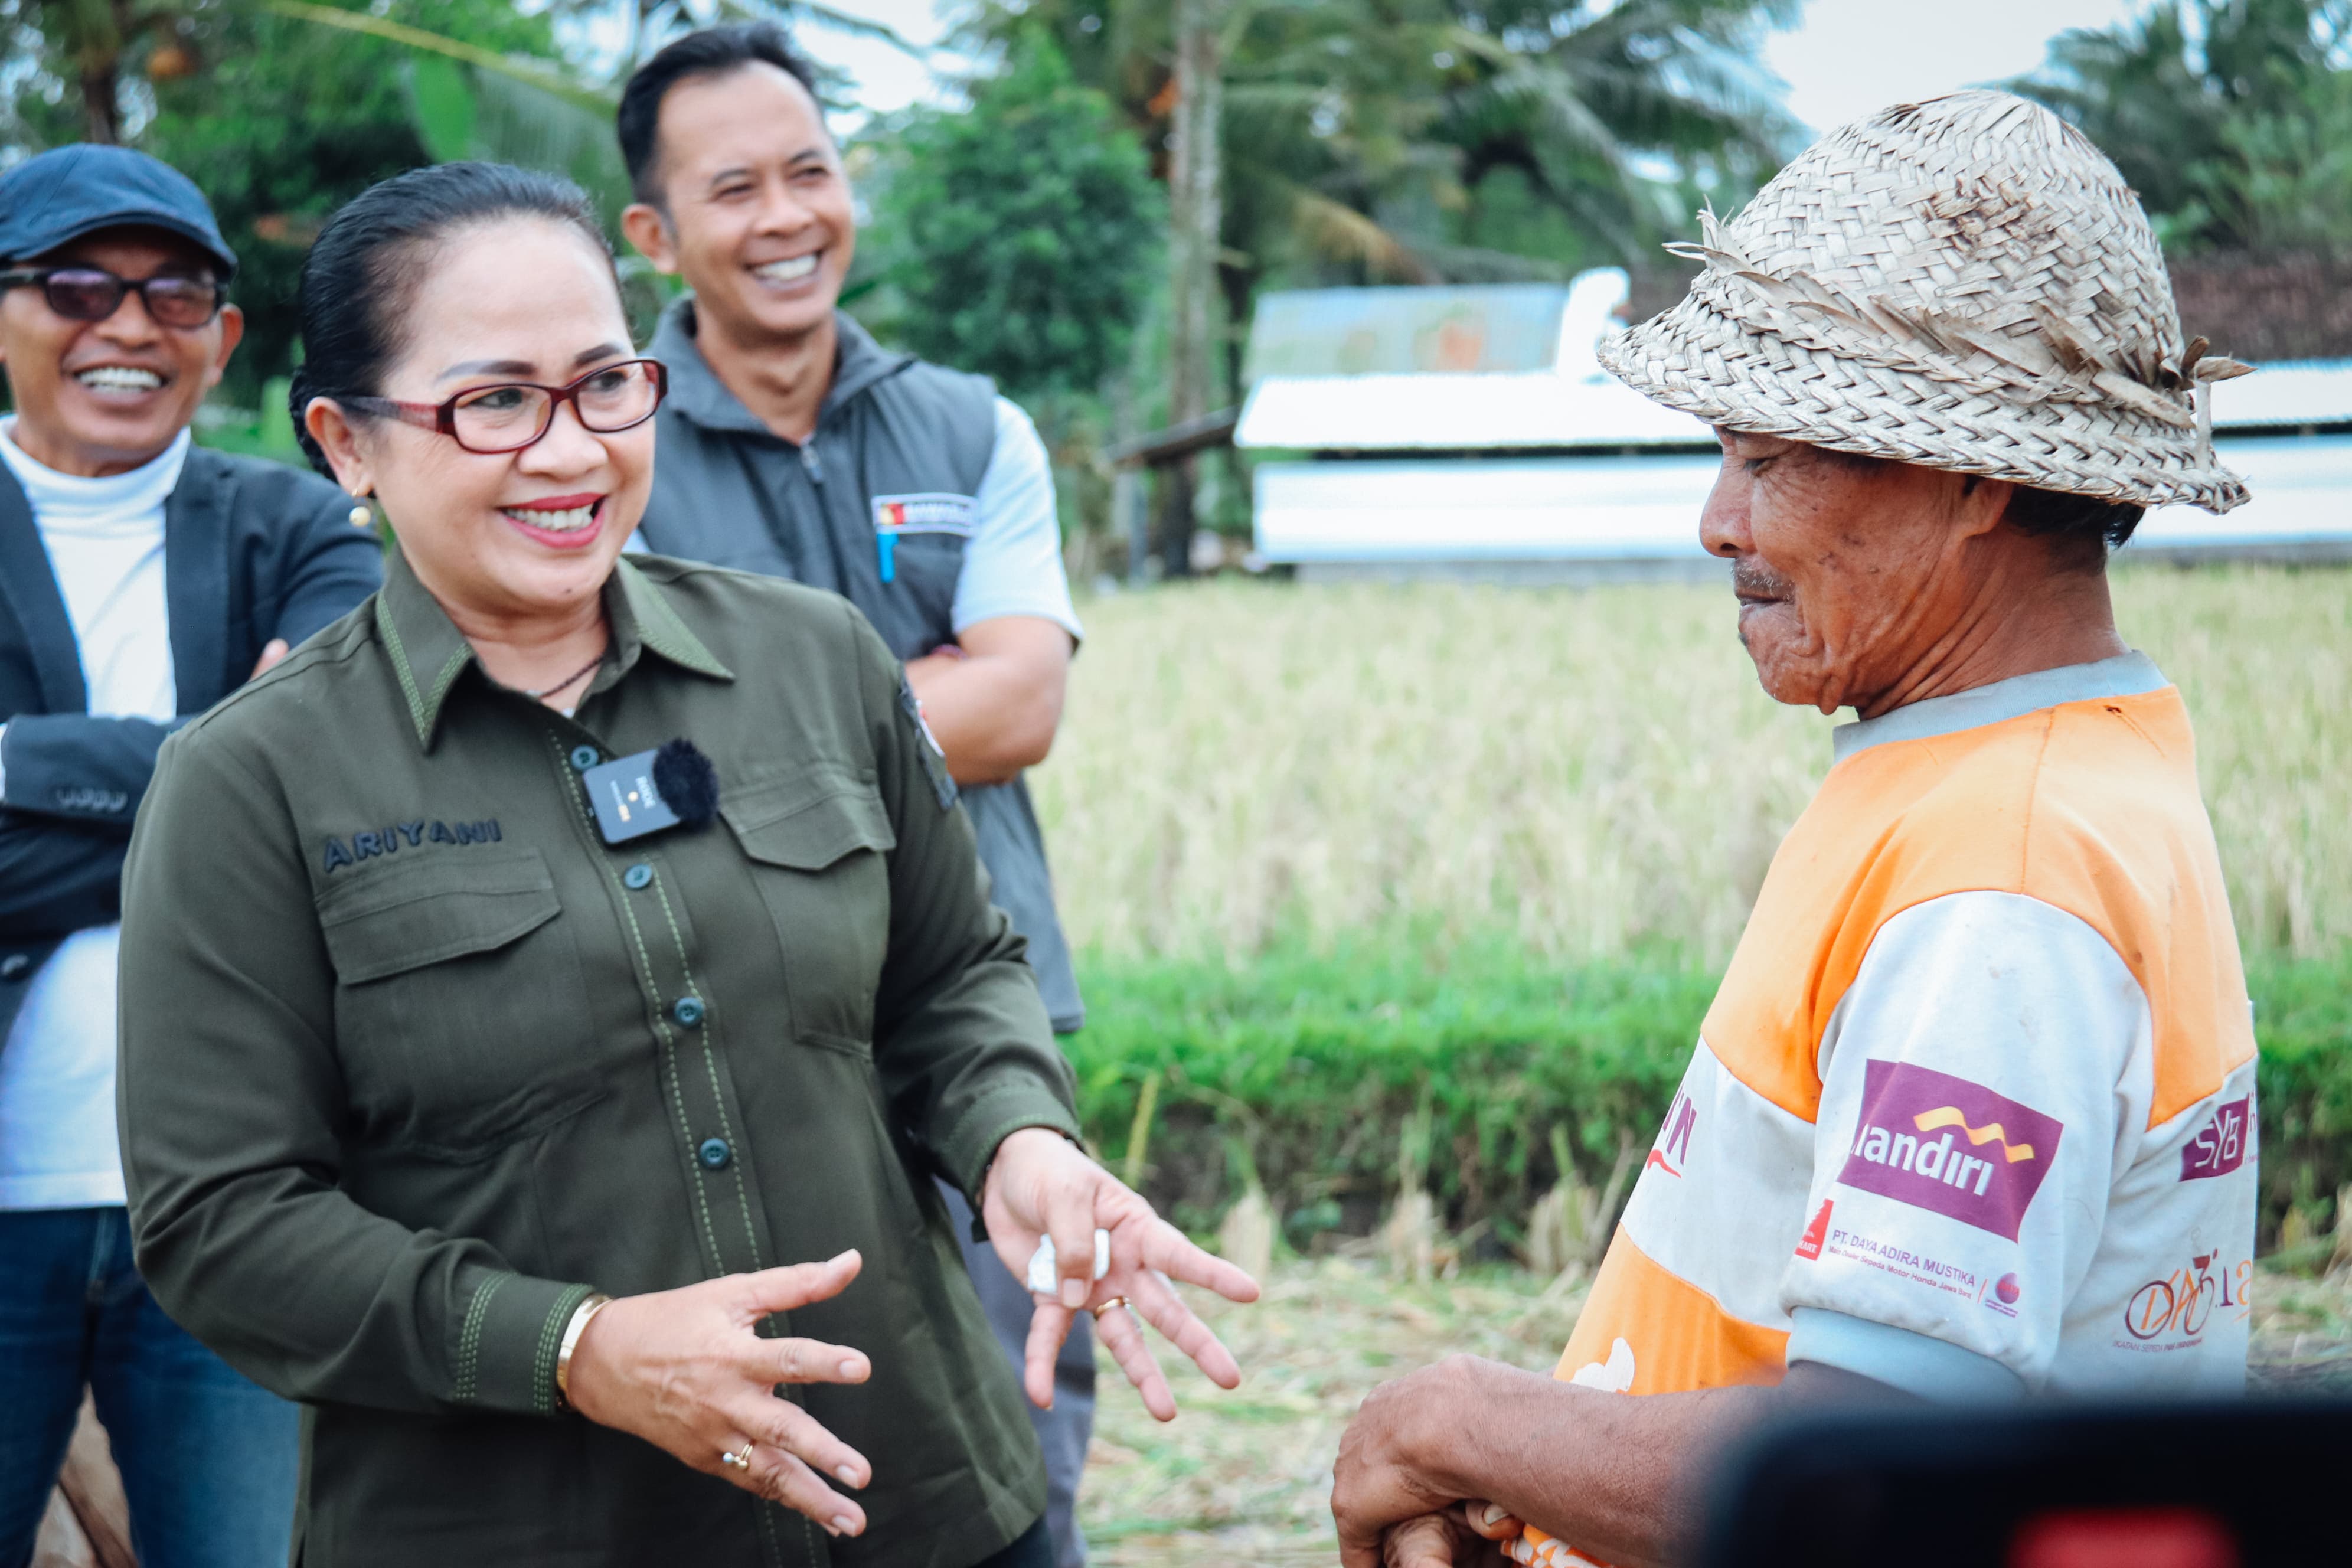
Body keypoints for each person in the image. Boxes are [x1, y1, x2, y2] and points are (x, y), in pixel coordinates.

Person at [113, 161, 1256, 1568]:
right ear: (348, 442)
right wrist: (573, 1344)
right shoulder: (248, 782)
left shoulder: (815, 657)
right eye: (495, 402)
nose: (571, 451)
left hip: (919, 1500)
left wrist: (1017, 1140)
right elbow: (222, 1222)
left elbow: (953, 975)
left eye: (606, 384)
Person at [1332, 91, 2260, 1568]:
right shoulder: (2023, 768)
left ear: (1974, 478)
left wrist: (1450, 1421)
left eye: (1771, 459)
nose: (1719, 520)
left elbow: (1865, 1480)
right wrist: (1558, 1486)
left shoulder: (2001, 884)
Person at [612, 27, 1100, 1567]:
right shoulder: (610, 449)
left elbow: (1023, 703)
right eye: (732, 188)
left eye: (809, 172)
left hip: (986, 1015)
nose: (784, 218)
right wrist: (920, 689)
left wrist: (737, 732)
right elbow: (608, 760)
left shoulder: (971, 424)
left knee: (1023, 1438)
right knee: (769, 1462)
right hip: (726, 1040)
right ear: (654, 234)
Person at [0, 143, 383, 1568]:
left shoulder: (307, 524)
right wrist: (222, 777)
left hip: (239, 1199)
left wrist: (14, 765)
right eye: (76, 285)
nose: (126, 324)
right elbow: (253, 801)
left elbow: (328, 791)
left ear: (221, 339)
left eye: (173, 295)